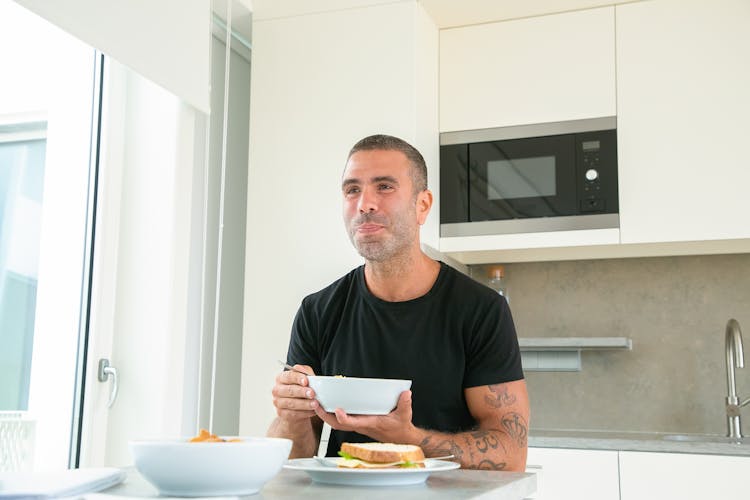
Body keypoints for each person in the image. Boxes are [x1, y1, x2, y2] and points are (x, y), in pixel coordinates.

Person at [267, 134, 529, 471]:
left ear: (423, 205)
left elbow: (511, 454)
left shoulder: (481, 311)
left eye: (385, 187)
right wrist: (291, 417)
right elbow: (291, 465)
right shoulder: (317, 312)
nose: (365, 204)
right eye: (352, 190)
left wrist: (410, 437)